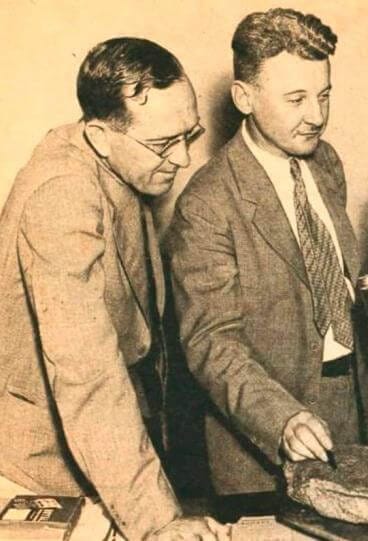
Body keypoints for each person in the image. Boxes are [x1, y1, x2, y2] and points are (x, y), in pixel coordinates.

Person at [0, 37, 228, 540]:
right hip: (34, 465)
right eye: (166, 144)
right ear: (101, 135)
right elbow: (88, 373)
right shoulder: (61, 195)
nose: (185, 158)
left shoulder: (118, 161)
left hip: (96, 453)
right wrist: (158, 521)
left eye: (189, 135)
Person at [166, 8, 362, 494]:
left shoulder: (326, 162)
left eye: (324, 95)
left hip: (349, 413)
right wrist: (283, 420)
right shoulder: (207, 204)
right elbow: (212, 343)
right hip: (265, 440)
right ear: (244, 98)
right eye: (296, 98)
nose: (316, 115)